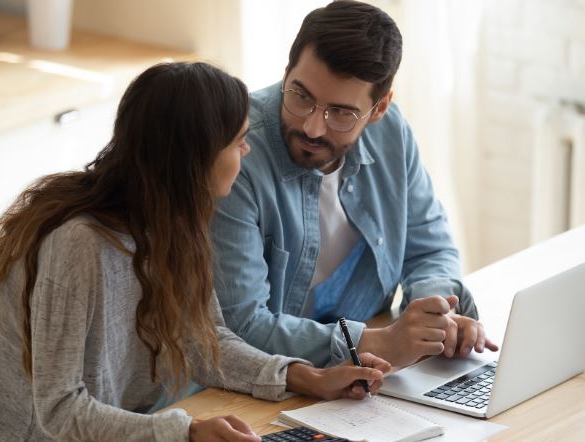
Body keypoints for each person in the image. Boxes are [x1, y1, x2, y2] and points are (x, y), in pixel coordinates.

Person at [0, 62, 390, 442]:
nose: (247, 151)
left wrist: (304, 377)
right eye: (238, 141)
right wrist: (184, 433)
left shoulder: (175, 221)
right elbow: (59, 411)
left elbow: (204, 342)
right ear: (195, 159)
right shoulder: (78, 244)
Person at [211, 0, 499, 370]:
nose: (313, 127)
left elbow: (429, 249)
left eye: (341, 113)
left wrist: (432, 316)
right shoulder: (236, 153)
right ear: (286, 73)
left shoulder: (391, 132)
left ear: (379, 109)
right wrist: (378, 342)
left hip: (366, 375)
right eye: (301, 96)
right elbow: (242, 326)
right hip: (270, 381)